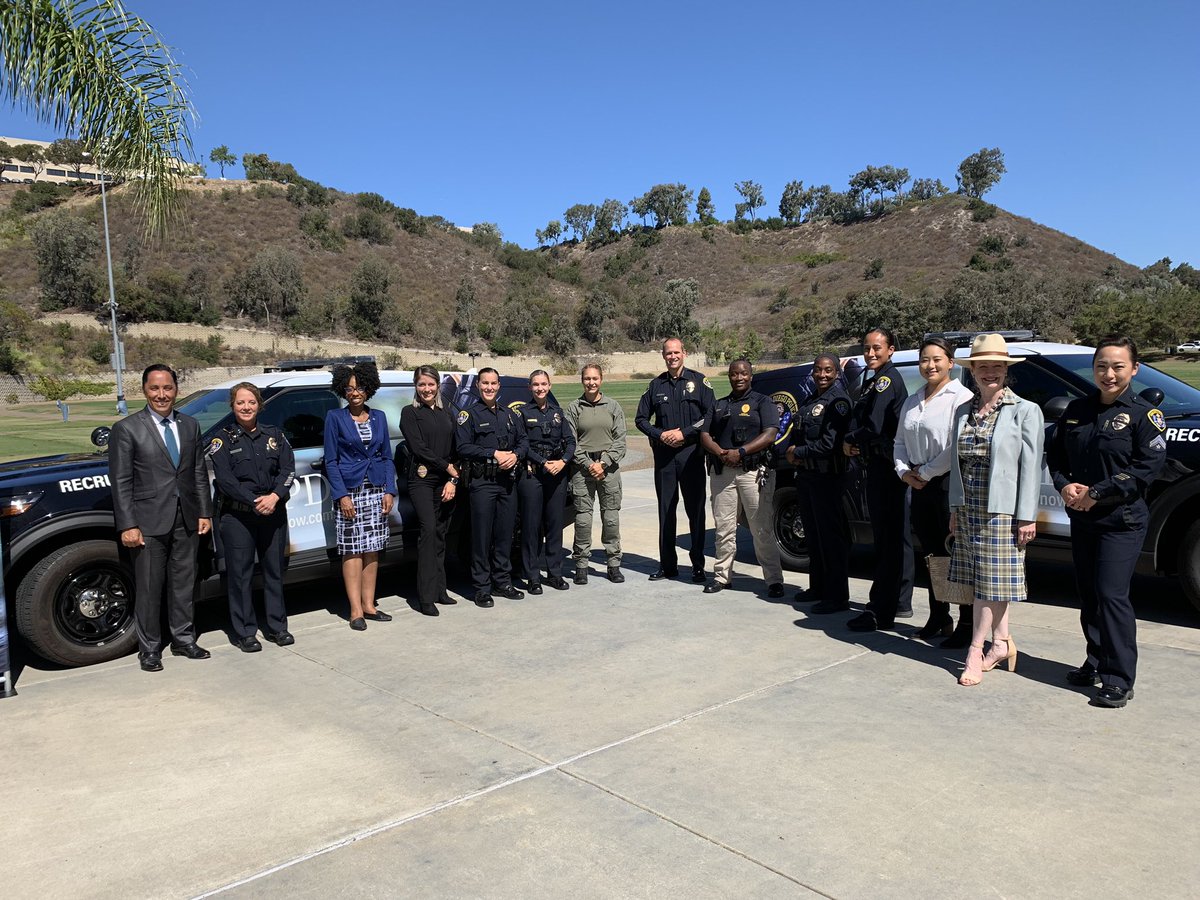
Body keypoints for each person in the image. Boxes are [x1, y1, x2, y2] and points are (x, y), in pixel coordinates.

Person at [1047, 336, 1167, 708]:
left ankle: (1118, 678)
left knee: (1112, 596)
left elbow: (1146, 468)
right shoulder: (1077, 410)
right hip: (1083, 519)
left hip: (1122, 521)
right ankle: (1096, 660)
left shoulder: (1144, 415)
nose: (1109, 373)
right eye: (1102, 366)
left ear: (1134, 369)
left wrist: (1096, 493)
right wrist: (1066, 487)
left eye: (1118, 366)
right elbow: (1056, 456)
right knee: (1089, 595)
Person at [947, 333, 1044, 686]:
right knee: (985, 583)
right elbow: (956, 464)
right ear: (972, 370)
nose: (990, 372)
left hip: (1002, 511)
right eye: (983, 366)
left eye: (997, 367)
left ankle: (975, 650)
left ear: (1006, 371)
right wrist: (955, 508)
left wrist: (1027, 515)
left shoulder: (1025, 410)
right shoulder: (963, 411)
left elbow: (1031, 468)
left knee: (990, 585)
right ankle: (1001, 642)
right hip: (969, 507)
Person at [109, 364, 213, 672]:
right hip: (147, 522)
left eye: (167, 388)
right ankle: (150, 649)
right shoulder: (126, 429)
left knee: (183, 585)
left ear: (176, 390)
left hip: (187, 519)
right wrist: (128, 524)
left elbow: (197, 473)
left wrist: (204, 511)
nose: (161, 394)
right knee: (150, 588)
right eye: (155, 388)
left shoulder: (190, 425)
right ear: (144, 390)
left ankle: (184, 640)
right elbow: (121, 481)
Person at [893, 337, 974, 644]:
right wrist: (904, 472)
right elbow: (899, 441)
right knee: (932, 554)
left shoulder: (961, 397)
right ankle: (939, 616)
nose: (931, 365)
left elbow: (956, 445)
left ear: (950, 363)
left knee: (956, 554)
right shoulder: (914, 400)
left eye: (937, 359)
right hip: (917, 483)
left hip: (946, 485)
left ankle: (966, 623)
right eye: (925, 359)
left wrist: (925, 473)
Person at [209, 382, 296, 651]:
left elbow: (288, 470)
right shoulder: (222, 440)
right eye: (240, 403)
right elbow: (225, 480)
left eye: (251, 402)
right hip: (238, 517)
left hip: (273, 513)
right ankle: (245, 632)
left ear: (259, 404)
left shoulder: (275, 435)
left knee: (274, 572)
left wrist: (274, 497)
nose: (246, 407)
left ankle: (277, 627)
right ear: (232, 406)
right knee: (240, 575)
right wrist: (255, 501)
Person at [843, 327, 914, 631]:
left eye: (877, 348)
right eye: (867, 348)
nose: (871, 353)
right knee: (894, 540)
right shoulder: (876, 380)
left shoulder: (886, 381)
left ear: (891, 350)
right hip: (882, 466)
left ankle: (880, 610)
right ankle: (896, 602)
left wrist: (848, 439)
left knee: (887, 541)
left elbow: (873, 425)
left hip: (885, 468)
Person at [699, 358, 785, 597]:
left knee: (761, 528)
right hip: (723, 472)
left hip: (752, 472)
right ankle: (722, 576)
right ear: (729, 376)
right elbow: (705, 434)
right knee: (723, 528)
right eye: (734, 374)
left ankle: (774, 580)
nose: (738, 378)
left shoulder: (762, 402)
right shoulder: (719, 404)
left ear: (751, 375)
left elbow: (770, 433)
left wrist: (742, 452)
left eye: (743, 373)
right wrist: (721, 453)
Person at [635, 338, 715, 584]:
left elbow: (711, 414)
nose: (672, 356)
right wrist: (660, 434)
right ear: (663, 356)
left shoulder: (699, 382)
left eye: (676, 352)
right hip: (665, 458)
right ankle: (667, 565)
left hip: (691, 455)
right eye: (668, 353)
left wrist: (685, 432)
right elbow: (641, 419)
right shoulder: (655, 385)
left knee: (695, 511)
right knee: (666, 511)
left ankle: (698, 566)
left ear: (685, 353)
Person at [324, 361, 396, 630]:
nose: (355, 392)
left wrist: (389, 489)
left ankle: (369, 604)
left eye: (360, 387)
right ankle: (355, 610)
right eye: (350, 388)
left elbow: (386, 457)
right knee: (352, 550)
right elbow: (331, 460)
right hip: (351, 493)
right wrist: (342, 495)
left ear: (369, 389)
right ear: (343, 390)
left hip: (376, 490)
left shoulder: (378, 417)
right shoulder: (335, 418)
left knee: (373, 549)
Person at [787, 354, 854, 613]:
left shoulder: (838, 402)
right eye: (818, 370)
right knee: (813, 536)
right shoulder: (811, 399)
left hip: (828, 478)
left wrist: (798, 453)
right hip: (808, 477)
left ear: (837, 372)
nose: (822, 375)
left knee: (831, 539)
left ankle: (837, 597)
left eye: (828, 370)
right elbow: (798, 430)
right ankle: (818, 587)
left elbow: (831, 444)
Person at [456, 367, 528, 607]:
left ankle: (502, 581)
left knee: (505, 535)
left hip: (507, 483)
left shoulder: (510, 415)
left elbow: (523, 441)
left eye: (493, 383)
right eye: (484, 383)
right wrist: (493, 453)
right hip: (483, 483)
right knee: (481, 536)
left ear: (499, 386)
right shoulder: (468, 414)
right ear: (478, 385)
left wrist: (516, 455)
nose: (489, 387)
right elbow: (463, 447)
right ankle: (482, 587)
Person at [399, 365, 461, 616]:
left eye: (431, 384)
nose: (426, 389)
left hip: (446, 481)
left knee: (440, 533)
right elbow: (418, 447)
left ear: (437, 385)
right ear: (415, 386)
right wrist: (447, 467)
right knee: (427, 530)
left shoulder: (447, 412)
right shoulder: (409, 413)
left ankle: (440, 590)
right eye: (421, 384)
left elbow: (458, 447)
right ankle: (425, 597)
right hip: (422, 480)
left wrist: (453, 480)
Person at [565, 363, 627, 585]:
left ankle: (613, 563)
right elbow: (570, 441)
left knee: (610, 517)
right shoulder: (574, 408)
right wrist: (589, 463)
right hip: (582, 469)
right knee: (582, 519)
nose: (591, 382)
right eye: (587, 379)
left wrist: (604, 462)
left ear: (601, 380)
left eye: (595, 378)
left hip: (608, 469)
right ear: (582, 381)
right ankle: (581, 565)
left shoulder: (613, 406)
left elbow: (620, 441)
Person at [515, 369, 575, 593]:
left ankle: (555, 573)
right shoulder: (521, 413)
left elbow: (570, 441)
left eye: (544, 384)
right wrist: (542, 462)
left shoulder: (558, 413)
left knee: (554, 525)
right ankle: (532, 576)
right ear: (530, 387)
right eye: (536, 385)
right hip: (533, 474)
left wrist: (564, 461)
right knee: (531, 527)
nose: (540, 388)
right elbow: (521, 445)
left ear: (549, 386)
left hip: (557, 474)